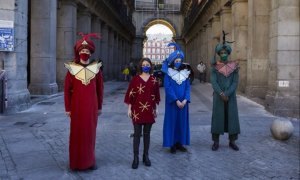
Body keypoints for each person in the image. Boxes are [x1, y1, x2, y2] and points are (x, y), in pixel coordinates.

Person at [64, 32, 103, 170]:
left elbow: (100, 89)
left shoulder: (96, 69)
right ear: (78, 52)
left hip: (92, 107)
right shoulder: (71, 70)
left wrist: (99, 107)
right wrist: (68, 108)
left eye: (87, 50)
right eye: (82, 50)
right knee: (77, 134)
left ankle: (90, 161)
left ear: (90, 52)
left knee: (90, 134)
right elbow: (67, 90)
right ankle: (76, 162)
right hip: (77, 106)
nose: (84, 52)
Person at [124, 57, 160, 169]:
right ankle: (135, 158)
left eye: (148, 64)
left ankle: (146, 156)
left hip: (149, 110)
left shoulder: (154, 80)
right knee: (136, 135)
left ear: (150, 66)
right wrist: (129, 108)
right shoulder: (135, 79)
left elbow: (156, 96)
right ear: (140, 66)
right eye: (144, 64)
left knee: (147, 135)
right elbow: (131, 95)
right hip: (137, 111)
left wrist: (156, 108)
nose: (146, 66)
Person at [210, 34, 240, 151]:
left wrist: (227, 94)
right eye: (221, 53)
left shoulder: (234, 67)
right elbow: (213, 81)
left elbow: (235, 82)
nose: (223, 54)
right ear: (219, 54)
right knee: (217, 118)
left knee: (232, 118)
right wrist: (221, 93)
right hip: (218, 97)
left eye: (225, 53)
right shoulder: (214, 67)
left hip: (231, 97)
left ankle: (232, 141)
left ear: (228, 53)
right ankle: (216, 141)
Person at [161, 42, 191, 154]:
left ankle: (180, 143)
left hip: (183, 103)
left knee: (181, 123)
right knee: (172, 122)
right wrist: (176, 100)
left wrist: (185, 99)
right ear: (173, 61)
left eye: (179, 61)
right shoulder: (168, 73)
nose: (178, 63)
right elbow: (168, 88)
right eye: (176, 61)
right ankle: (172, 143)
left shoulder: (186, 73)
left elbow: (188, 88)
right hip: (172, 103)